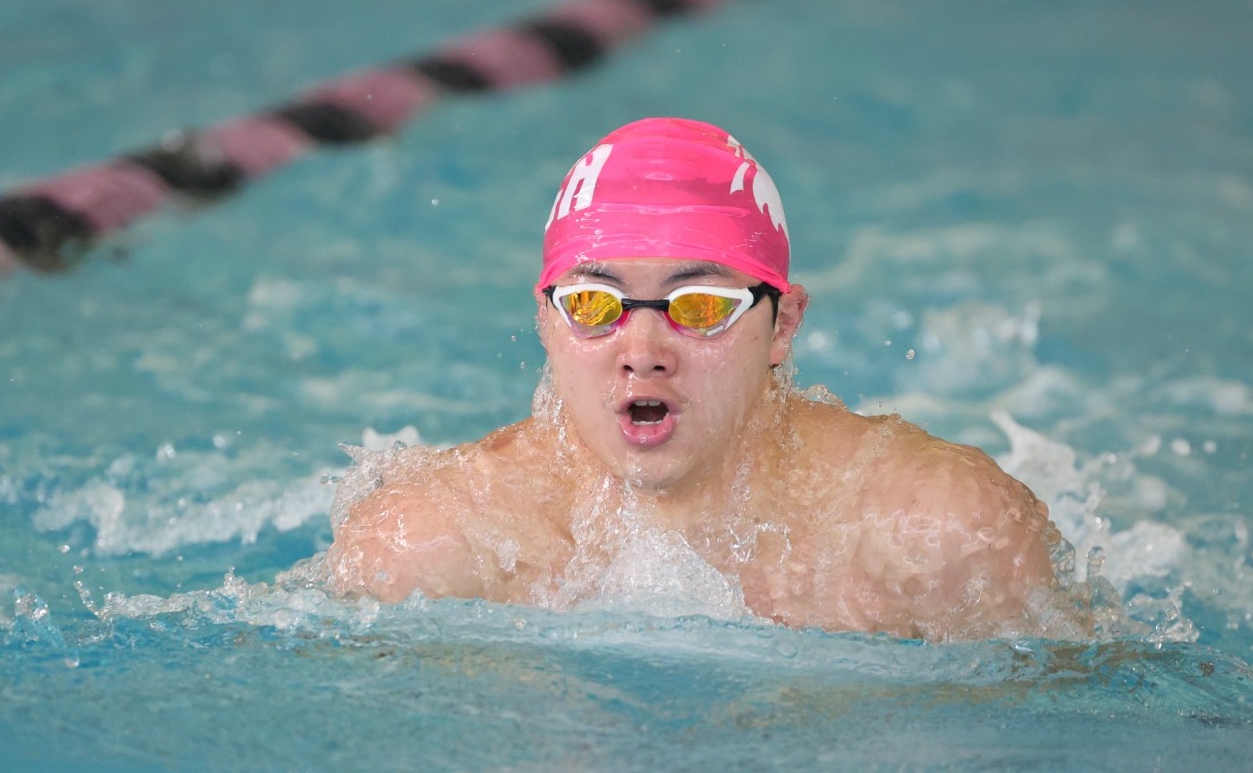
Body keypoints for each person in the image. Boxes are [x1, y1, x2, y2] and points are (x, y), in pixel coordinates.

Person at [325, 117, 1071, 640]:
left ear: (782, 326)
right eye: (594, 303)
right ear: (547, 322)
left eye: (700, 306)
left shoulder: (939, 536)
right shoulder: (430, 551)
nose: (643, 348)